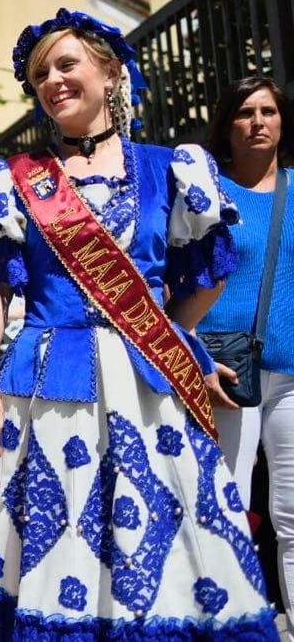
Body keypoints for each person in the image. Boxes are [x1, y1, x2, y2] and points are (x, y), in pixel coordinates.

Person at [0, 9, 279, 638]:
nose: (53, 81)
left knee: (159, 533)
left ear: (111, 71)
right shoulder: (11, 179)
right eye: (41, 74)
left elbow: (210, 269)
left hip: (145, 380)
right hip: (46, 380)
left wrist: (168, 330)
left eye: (67, 64)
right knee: (49, 530)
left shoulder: (170, 167)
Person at [199, 75, 294, 630]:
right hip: (225, 366)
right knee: (228, 505)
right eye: (244, 113)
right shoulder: (208, 193)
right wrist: (196, 358)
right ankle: (230, 627)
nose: (258, 121)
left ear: (282, 122)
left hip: (291, 372)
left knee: (291, 514)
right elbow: (181, 280)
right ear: (227, 127)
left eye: (268, 111)